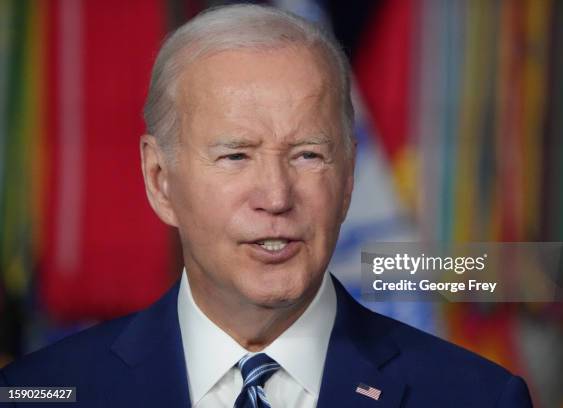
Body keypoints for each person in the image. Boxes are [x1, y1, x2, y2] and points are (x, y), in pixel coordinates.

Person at [0, 5, 532, 407]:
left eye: (308, 155)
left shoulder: (477, 396)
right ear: (160, 180)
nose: (276, 197)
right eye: (236, 156)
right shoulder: (37, 393)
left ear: (348, 178)